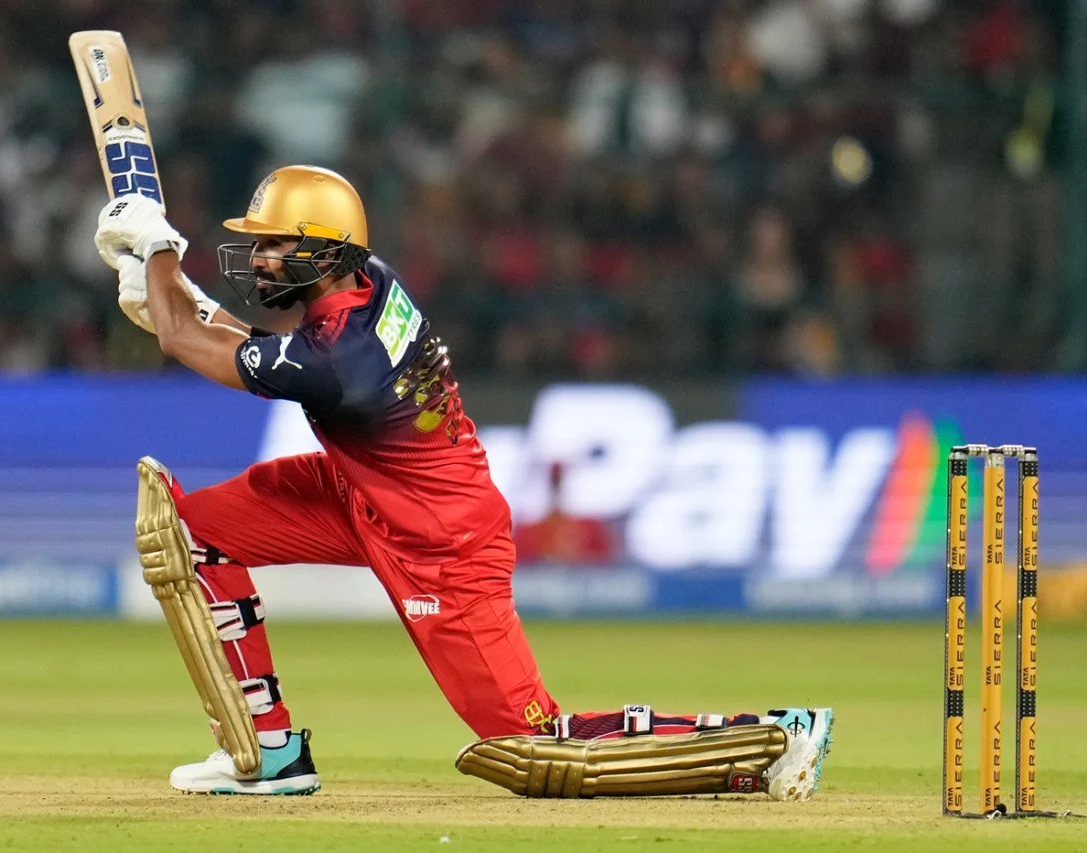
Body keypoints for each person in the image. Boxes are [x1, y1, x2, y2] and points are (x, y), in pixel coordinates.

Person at [93, 165, 833, 799]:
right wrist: (169, 289)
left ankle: (770, 740)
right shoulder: (369, 283)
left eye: (276, 244)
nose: (259, 259)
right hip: (362, 494)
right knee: (191, 532)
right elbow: (240, 343)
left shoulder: (342, 362)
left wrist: (160, 257)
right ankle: (268, 752)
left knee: (533, 744)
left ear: (326, 251)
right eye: (257, 243)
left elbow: (192, 341)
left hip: (442, 544)